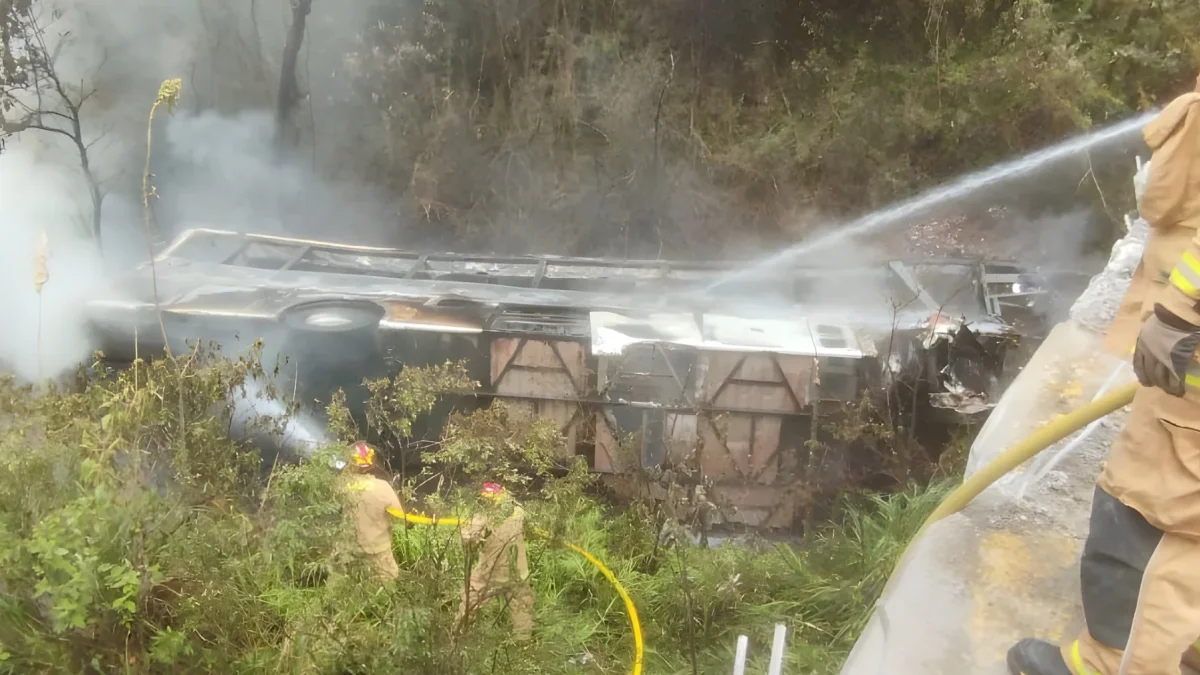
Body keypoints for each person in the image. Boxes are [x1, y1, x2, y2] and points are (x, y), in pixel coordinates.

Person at [1008, 77, 1200, 675]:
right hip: (1178, 376)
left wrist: (1180, 310)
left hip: (1187, 359)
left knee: (1167, 530)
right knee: (1135, 508)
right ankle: (1101, 660)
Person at [456, 482, 535, 642]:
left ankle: (458, 635)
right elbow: (530, 530)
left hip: (490, 573)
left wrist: (465, 534)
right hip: (518, 572)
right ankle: (523, 642)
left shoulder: (482, 517)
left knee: (470, 601)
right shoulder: (519, 511)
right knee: (521, 605)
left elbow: (469, 541)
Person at [339, 441, 404, 582]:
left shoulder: (341, 486)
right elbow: (400, 516)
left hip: (348, 550)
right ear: (373, 462)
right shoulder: (383, 487)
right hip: (378, 551)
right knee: (387, 584)